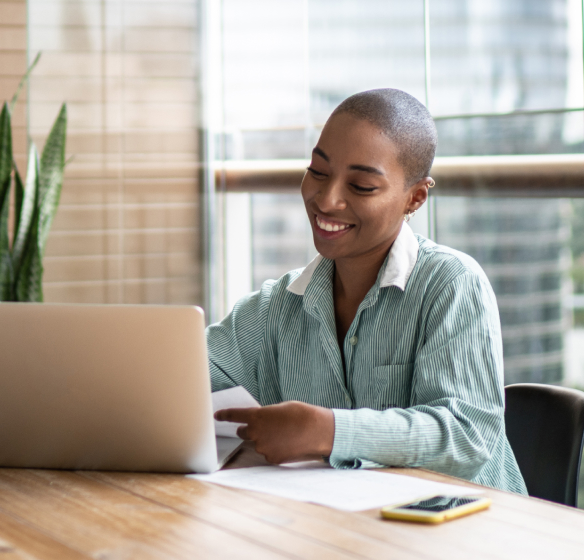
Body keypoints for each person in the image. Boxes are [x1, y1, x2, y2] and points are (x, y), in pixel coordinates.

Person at [210, 89, 525, 493]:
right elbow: (181, 373)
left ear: (415, 197)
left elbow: (466, 436)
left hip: (464, 532)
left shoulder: (451, 284)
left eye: (360, 186)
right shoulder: (279, 306)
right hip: (348, 529)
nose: (327, 199)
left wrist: (328, 431)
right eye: (318, 172)